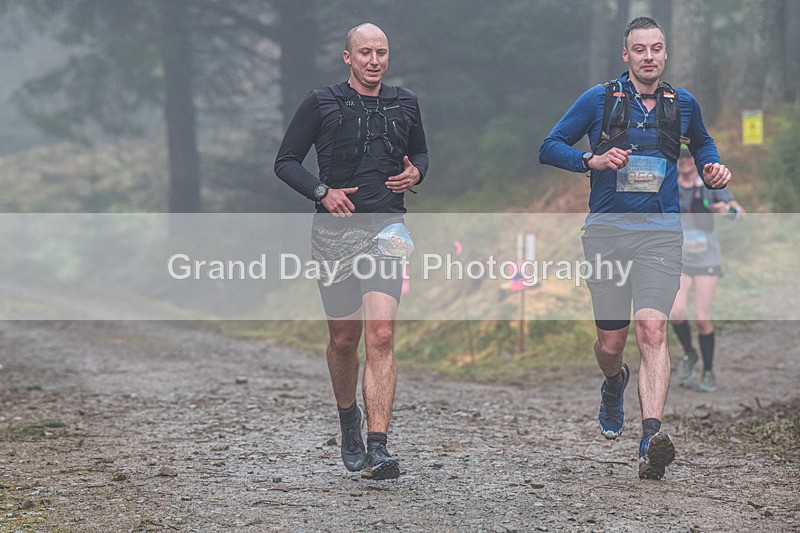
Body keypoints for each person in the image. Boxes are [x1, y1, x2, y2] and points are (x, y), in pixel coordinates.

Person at [538, 16, 731, 479]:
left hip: (660, 233)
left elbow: (703, 143)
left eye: (656, 48)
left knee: (652, 330)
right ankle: (613, 382)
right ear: (625, 56)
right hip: (607, 233)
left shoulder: (682, 103)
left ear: (665, 54)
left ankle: (650, 439)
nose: (649, 56)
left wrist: (713, 166)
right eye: (639, 49)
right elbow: (549, 146)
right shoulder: (600, 99)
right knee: (611, 343)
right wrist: (592, 158)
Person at [274, 23, 428, 480]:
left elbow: (420, 154)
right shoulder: (321, 102)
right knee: (344, 339)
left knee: (380, 334)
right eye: (365, 52)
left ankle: (379, 446)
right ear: (348, 57)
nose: (374, 60)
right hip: (335, 231)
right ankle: (349, 422)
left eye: (381, 52)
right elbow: (285, 161)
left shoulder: (406, 101)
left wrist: (416, 174)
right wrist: (322, 191)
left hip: (388, 227)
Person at [670, 150, 744, 392]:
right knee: (676, 312)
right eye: (679, 157)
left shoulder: (710, 184)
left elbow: (739, 213)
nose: (684, 161)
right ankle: (690, 353)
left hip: (706, 257)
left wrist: (727, 211)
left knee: (702, 318)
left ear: (695, 160)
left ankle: (708, 370)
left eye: (688, 157)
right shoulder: (669, 184)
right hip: (679, 258)